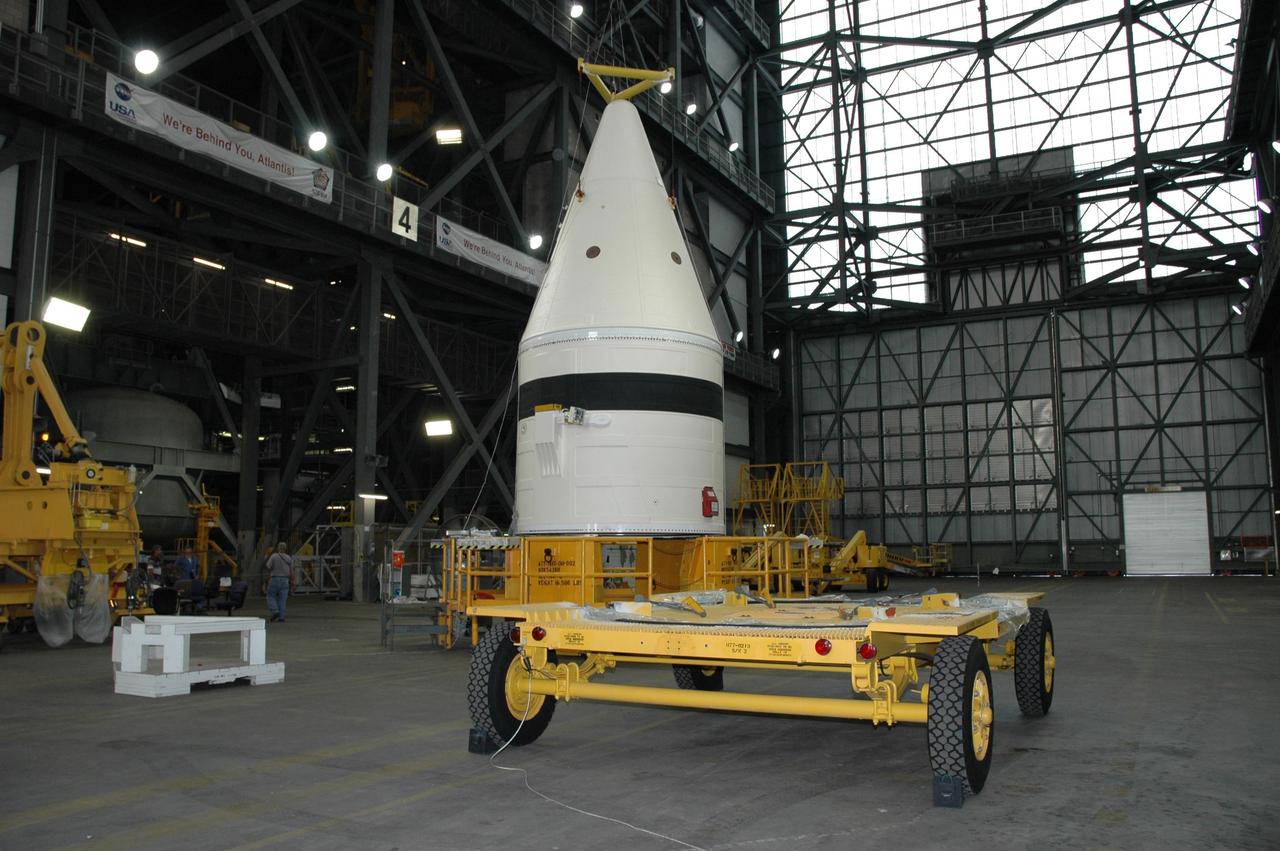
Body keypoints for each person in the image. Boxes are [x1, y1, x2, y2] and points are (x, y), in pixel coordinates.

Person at [264, 542, 293, 623]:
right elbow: (291, 571)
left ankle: (275, 611)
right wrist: (292, 581)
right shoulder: (289, 558)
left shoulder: (274, 556)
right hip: (285, 580)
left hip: (275, 579)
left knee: (270, 596)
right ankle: (282, 617)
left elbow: (268, 566)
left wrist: (266, 557)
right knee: (283, 599)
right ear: (285, 548)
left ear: (278, 548)